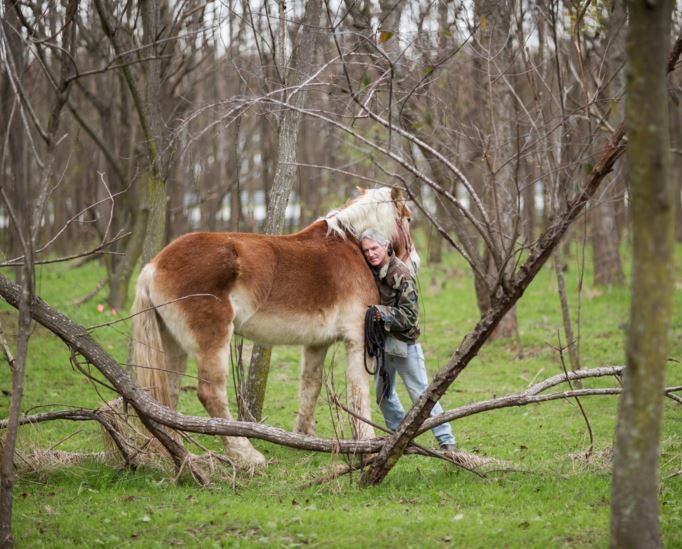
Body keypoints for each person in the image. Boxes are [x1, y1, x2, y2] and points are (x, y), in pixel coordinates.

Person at [360, 228, 456, 451]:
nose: (371, 253)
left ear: (385, 246)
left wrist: (379, 312)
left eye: (374, 248)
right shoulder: (373, 272)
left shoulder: (401, 274)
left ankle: (447, 441)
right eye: (366, 250)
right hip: (384, 345)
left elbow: (410, 317)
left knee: (422, 396)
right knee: (383, 397)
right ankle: (399, 438)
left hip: (405, 345)